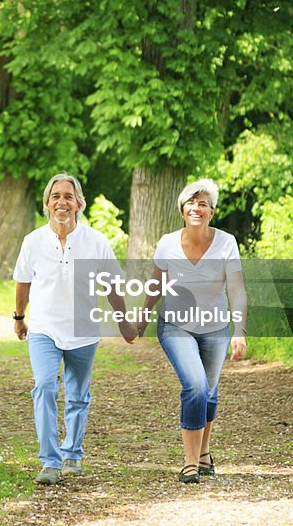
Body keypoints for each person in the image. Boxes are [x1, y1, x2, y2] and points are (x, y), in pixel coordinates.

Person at [13, 172, 137, 485]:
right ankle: (50, 462)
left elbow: (111, 285)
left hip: (83, 329)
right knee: (44, 387)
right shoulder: (33, 242)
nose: (62, 202)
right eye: (55, 196)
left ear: (79, 202)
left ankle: (72, 455)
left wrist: (123, 321)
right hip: (44, 328)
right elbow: (23, 283)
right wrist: (19, 317)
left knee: (78, 395)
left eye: (68, 196)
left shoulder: (95, 241)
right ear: (47, 204)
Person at [137, 178, 247, 484]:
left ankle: (203, 452)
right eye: (191, 203)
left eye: (203, 204)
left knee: (209, 393)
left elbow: (237, 289)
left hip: (215, 328)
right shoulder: (167, 242)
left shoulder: (226, 243)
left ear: (212, 211)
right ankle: (189, 462)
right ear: (182, 210)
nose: (196, 208)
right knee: (196, 386)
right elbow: (156, 284)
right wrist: (142, 319)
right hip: (175, 325)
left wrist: (240, 330)